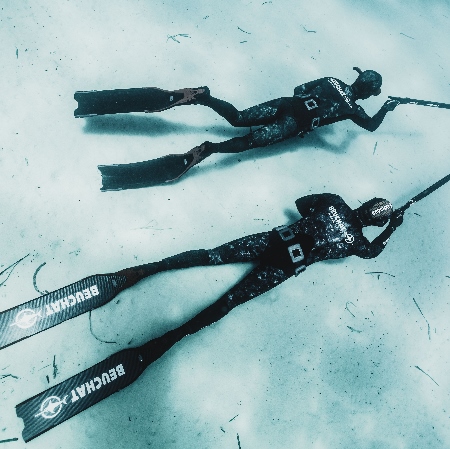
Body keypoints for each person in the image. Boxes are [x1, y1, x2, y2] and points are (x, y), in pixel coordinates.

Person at [119, 192, 404, 361]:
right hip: (285, 265)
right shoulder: (357, 242)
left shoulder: (335, 202)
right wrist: (392, 227)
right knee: (230, 301)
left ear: (365, 202)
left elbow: (302, 203)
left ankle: (149, 269)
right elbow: (372, 252)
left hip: (275, 240)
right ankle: (171, 339)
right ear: (375, 222)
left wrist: (314, 220)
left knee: (211, 255)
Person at [177, 67, 401, 175]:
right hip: (292, 124)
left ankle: (204, 97)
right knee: (248, 141)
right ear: (368, 92)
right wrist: (385, 108)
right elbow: (371, 126)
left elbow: (299, 88)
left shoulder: (332, 80)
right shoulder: (353, 109)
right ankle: (210, 149)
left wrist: (304, 103)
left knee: (238, 117)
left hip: (285, 103)